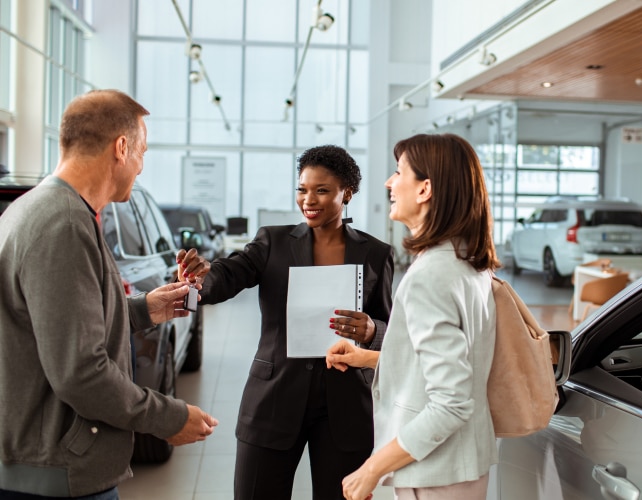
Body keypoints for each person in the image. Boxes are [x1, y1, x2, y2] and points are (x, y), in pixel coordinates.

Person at [0, 89, 218, 499]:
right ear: (121, 148)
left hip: (47, 467)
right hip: (58, 475)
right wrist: (168, 417)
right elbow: (80, 372)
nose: (140, 167)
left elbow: (57, 322)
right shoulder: (63, 224)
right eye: (142, 152)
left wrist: (140, 311)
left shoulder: (36, 209)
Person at [177, 145, 394, 499]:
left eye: (322, 190)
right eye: (302, 189)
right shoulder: (272, 242)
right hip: (274, 397)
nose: (309, 199)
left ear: (347, 193)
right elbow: (228, 275)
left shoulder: (376, 253)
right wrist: (201, 280)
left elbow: (388, 328)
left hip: (345, 405)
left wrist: (371, 330)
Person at [326, 133, 501, 500]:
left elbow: (451, 402)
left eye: (398, 172)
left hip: (436, 473)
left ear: (425, 189)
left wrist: (372, 468)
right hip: (460, 467)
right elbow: (451, 366)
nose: (390, 183)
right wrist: (373, 358)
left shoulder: (430, 276)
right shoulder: (465, 262)